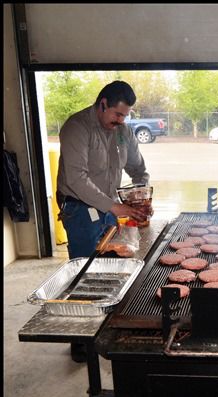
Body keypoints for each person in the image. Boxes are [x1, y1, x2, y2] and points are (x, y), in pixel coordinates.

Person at [57, 80, 152, 362]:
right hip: (80, 209)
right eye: (117, 115)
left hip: (110, 208)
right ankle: (80, 339)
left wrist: (141, 195)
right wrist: (116, 207)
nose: (121, 121)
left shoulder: (123, 132)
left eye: (126, 116)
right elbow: (77, 179)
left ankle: (105, 328)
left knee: (109, 270)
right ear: (102, 104)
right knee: (84, 273)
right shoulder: (77, 128)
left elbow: (138, 169)